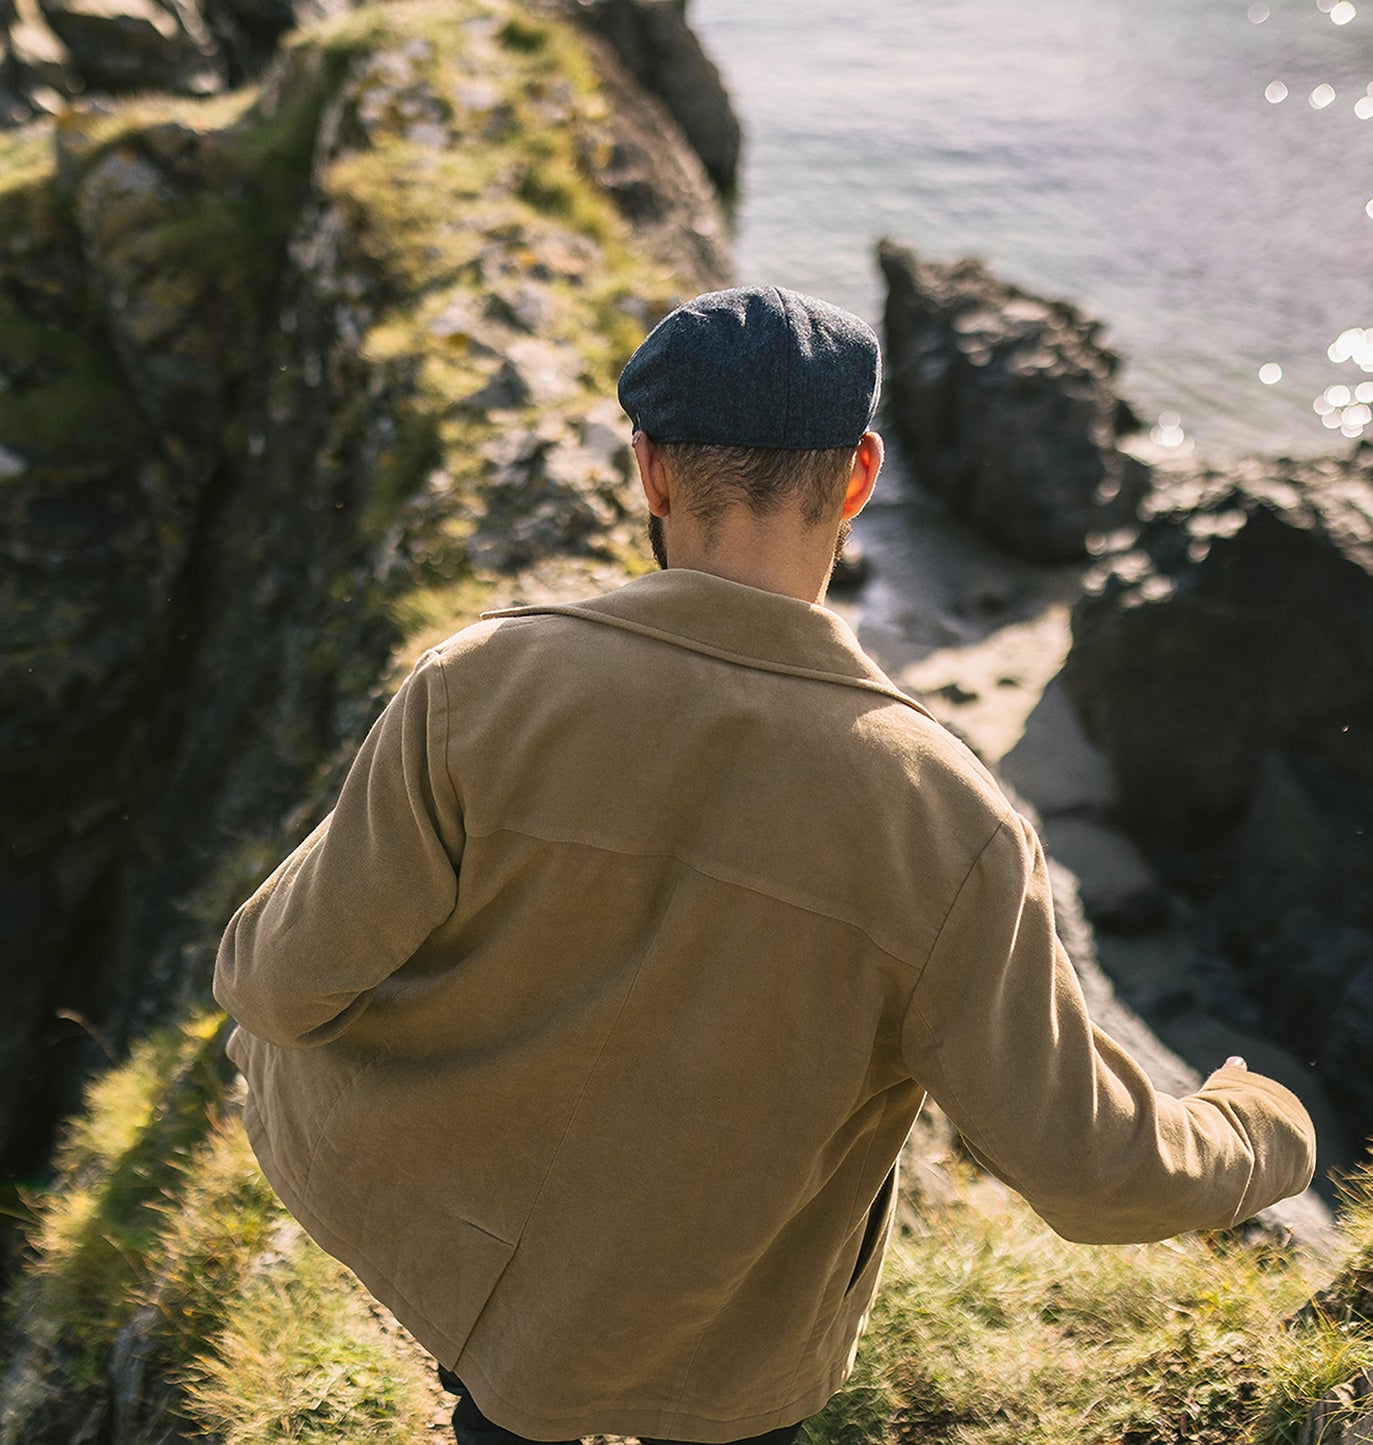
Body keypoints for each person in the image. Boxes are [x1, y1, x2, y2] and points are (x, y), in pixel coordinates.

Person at [214, 286, 1316, 1445]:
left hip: (468, 1258)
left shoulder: (479, 684)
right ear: (857, 478)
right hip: (724, 1336)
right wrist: (1258, 1122)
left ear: (648, 472)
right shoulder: (947, 820)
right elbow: (1096, 1169)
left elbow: (275, 984)